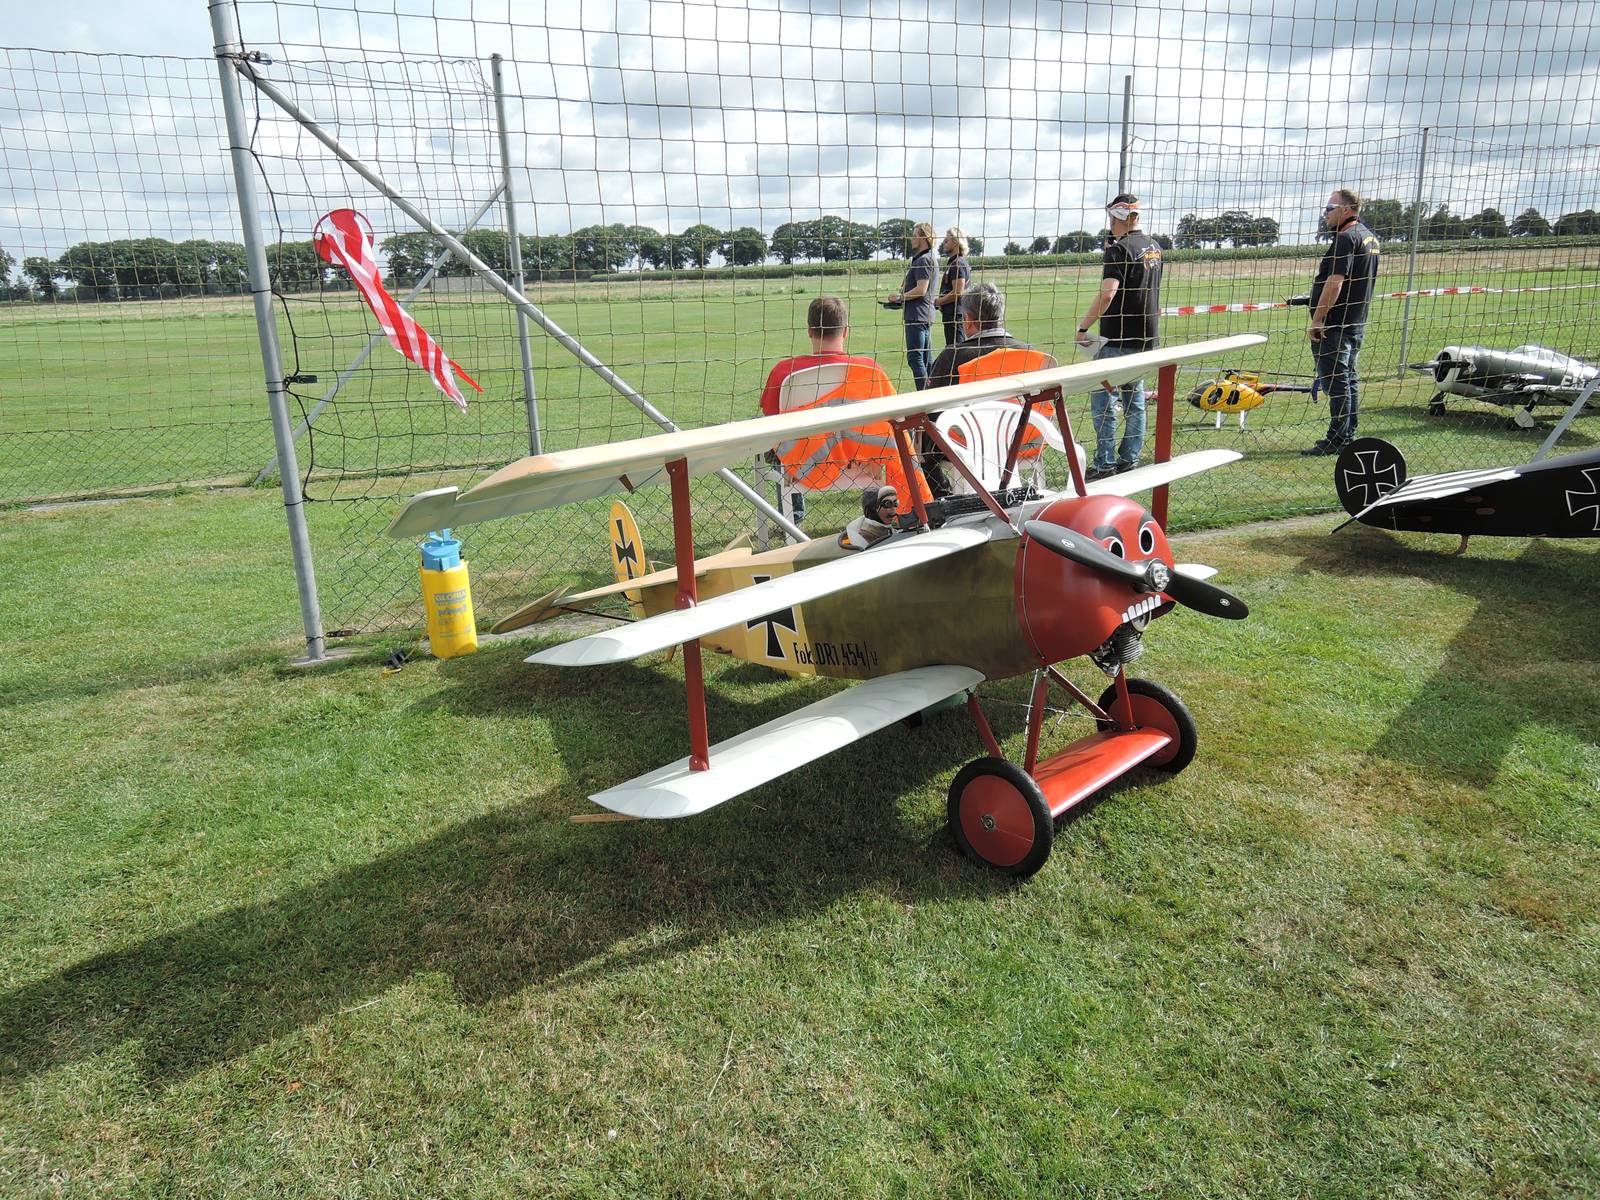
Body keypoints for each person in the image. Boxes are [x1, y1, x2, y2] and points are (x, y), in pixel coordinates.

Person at [759, 295, 883, 527]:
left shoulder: (784, 371)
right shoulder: (869, 370)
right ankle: (877, 513)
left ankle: (792, 519)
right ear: (846, 331)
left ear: (809, 331)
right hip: (859, 461)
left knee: (776, 443)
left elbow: (772, 421)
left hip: (803, 465)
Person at [1075, 193, 1164, 481]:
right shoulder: (1155, 247)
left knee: (1104, 403)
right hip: (1147, 339)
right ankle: (1129, 459)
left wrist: (1083, 327)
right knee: (1135, 401)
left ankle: (1105, 463)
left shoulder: (1118, 250)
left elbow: (1108, 294)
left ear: (1118, 217)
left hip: (1117, 340)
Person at [1301, 188, 1381, 455]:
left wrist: (1318, 319)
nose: (1325, 214)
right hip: (1355, 322)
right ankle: (1347, 434)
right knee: (1348, 380)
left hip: (1336, 325)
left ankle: (1337, 439)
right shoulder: (1369, 237)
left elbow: (1335, 283)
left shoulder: (1346, 239)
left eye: (1329, 208)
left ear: (1346, 209)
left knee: (1336, 383)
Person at [886, 221, 937, 388]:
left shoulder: (923, 260)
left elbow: (921, 289)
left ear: (923, 238)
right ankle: (933, 392)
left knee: (915, 359)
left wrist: (900, 298)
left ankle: (924, 395)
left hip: (917, 316)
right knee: (926, 359)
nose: (912, 239)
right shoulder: (929, 258)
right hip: (924, 315)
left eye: (915, 236)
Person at [933, 228, 971, 348]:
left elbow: (958, 292)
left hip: (955, 315)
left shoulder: (958, 263)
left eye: (946, 240)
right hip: (952, 314)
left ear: (955, 242)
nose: (943, 243)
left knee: (956, 350)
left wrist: (938, 302)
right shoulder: (954, 263)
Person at [839, 485, 901, 550]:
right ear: (873, 508)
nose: (893, 508)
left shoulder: (888, 530)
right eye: (888, 504)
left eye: (895, 503)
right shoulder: (866, 538)